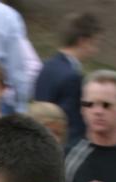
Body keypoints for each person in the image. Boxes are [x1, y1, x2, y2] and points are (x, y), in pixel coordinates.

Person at [33, 12, 102, 145]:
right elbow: (71, 124)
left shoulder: (46, 66)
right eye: (95, 44)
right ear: (83, 41)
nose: (95, 51)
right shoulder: (73, 77)